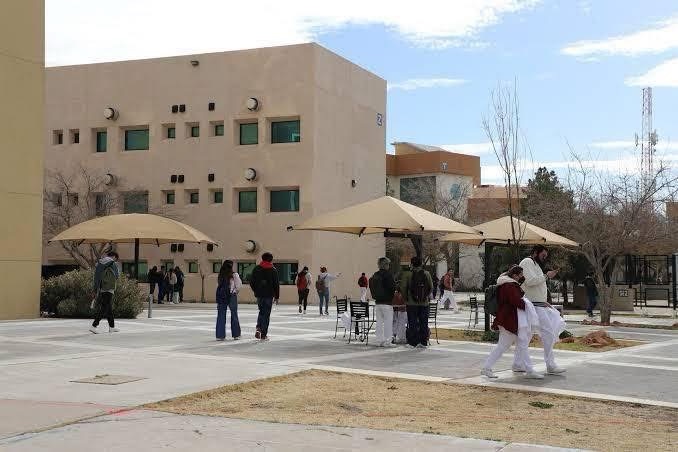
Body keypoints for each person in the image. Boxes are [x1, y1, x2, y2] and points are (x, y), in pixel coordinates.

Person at [481, 265, 543, 379]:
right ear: (514, 275)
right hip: (509, 321)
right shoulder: (510, 285)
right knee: (507, 346)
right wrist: (528, 305)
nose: (522, 277)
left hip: (509, 320)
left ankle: (528, 369)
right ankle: (487, 368)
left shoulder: (505, 284)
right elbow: (516, 301)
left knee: (519, 345)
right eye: (520, 275)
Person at [519, 245, 567, 375]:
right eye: (543, 255)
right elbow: (530, 281)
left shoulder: (535, 265)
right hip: (533, 305)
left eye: (545, 256)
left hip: (538, 304)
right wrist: (546, 276)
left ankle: (518, 363)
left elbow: (536, 286)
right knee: (548, 333)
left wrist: (544, 300)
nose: (544, 258)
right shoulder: (527, 262)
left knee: (527, 335)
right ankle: (550, 365)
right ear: (535, 252)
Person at [399, 256, 433, 347]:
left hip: (411, 303)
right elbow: (431, 287)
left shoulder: (407, 274)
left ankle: (413, 342)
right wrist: (425, 296)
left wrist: (406, 298)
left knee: (412, 322)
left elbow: (403, 287)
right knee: (423, 322)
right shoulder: (427, 273)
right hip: (424, 303)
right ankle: (423, 342)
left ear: (412, 264)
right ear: (421, 264)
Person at [250, 252, 280, 340]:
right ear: (271, 260)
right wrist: (277, 296)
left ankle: (258, 328)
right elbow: (276, 284)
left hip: (259, 295)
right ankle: (263, 334)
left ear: (262, 258)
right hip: (269, 295)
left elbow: (251, 282)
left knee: (261, 311)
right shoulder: (273, 270)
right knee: (266, 314)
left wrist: (256, 291)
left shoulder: (256, 268)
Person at [90, 250, 120, 334]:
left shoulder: (100, 263)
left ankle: (112, 327)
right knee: (104, 308)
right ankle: (94, 326)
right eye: (116, 259)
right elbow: (117, 275)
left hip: (102, 288)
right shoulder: (112, 263)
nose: (115, 260)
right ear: (114, 257)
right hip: (109, 287)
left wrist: (95, 289)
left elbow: (96, 278)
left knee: (108, 307)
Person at [369, 257, 397, 346]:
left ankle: (379, 340)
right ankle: (388, 341)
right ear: (385, 265)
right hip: (387, 302)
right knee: (388, 322)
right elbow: (393, 287)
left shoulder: (375, 275)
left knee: (379, 322)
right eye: (388, 264)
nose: (389, 266)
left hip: (378, 302)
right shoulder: (388, 275)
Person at [215, 260, 242, 340]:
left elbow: (218, 285)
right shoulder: (234, 275)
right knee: (234, 314)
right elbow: (239, 286)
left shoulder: (220, 275)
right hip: (231, 296)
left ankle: (220, 336)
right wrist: (235, 291)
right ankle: (236, 335)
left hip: (221, 296)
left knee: (221, 315)